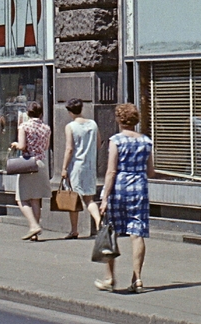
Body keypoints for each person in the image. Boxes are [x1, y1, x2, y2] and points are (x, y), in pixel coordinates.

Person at [96, 101, 154, 293]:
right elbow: (150, 171)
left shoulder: (116, 140)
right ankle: (137, 278)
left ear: (120, 120)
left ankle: (110, 278)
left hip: (119, 189)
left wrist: (104, 197)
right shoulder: (146, 141)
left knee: (111, 231)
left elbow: (111, 171)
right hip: (139, 189)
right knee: (137, 233)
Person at [61, 99, 102, 238]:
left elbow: (69, 148)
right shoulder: (93, 124)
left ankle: (74, 230)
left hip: (76, 166)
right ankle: (97, 220)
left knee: (74, 199)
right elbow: (98, 144)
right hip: (90, 166)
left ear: (70, 111)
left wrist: (64, 168)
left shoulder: (70, 126)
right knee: (89, 199)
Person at [11, 101, 52, 241]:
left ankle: (33, 225)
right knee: (36, 199)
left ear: (28, 113)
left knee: (21, 199)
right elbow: (46, 146)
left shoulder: (24, 126)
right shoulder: (46, 128)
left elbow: (22, 146)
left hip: (27, 163)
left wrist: (15, 144)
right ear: (41, 113)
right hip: (40, 162)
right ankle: (35, 232)